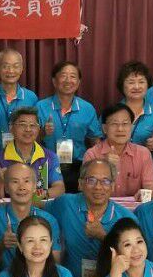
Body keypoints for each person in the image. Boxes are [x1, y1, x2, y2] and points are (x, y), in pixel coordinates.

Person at [44, 157, 134, 277]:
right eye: (91, 180)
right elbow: (39, 207)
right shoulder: (65, 204)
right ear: (80, 184)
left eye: (105, 181)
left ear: (113, 185)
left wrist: (103, 236)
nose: (98, 187)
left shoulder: (125, 218)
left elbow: (134, 259)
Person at [0, 162, 63, 273]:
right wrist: (1, 245)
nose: (21, 187)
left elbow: (55, 263)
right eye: (15, 181)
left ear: (35, 186)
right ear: (6, 188)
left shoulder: (49, 220)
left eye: (26, 181)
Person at [37, 60, 103, 191]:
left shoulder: (87, 108)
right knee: (43, 199)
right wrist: (43, 132)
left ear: (78, 82)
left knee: (76, 202)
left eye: (73, 76)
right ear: (54, 81)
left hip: (78, 167)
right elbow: (30, 141)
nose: (68, 80)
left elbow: (95, 141)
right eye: (63, 76)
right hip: (45, 165)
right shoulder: (41, 107)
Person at [0, 106, 63, 200]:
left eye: (32, 125)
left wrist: (37, 196)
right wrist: (0, 181)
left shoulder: (50, 157)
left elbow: (59, 188)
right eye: (22, 125)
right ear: (11, 128)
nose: (28, 129)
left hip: (39, 206)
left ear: (38, 129)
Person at [81, 104, 153, 198]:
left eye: (125, 124)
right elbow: (87, 190)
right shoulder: (92, 154)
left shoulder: (143, 153)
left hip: (135, 207)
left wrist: (146, 193)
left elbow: (151, 187)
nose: (120, 129)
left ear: (131, 127)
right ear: (104, 128)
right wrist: (105, 166)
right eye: (114, 124)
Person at [0, 48, 38, 162]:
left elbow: (35, 131)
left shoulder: (31, 98)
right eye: (6, 66)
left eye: (15, 66)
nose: (11, 71)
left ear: (22, 69)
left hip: (24, 159)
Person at [118, 60, 153, 156]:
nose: (136, 87)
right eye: (131, 82)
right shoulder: (113, 112)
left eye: (141, 82)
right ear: (122, 85)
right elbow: (100, 143)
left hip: (147, 164)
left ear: (148, 85)